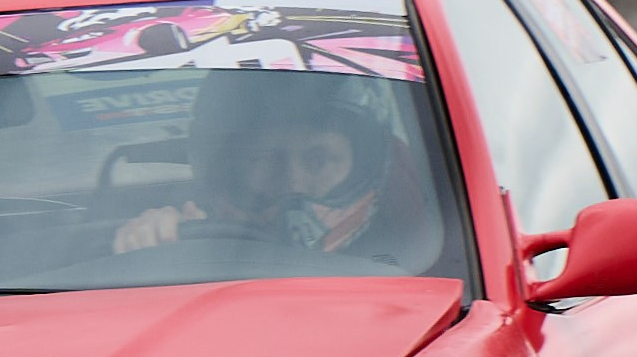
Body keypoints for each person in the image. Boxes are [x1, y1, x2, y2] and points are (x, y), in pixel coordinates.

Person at [112, 69, 432, 265]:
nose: (293, 185)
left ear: (363, 169)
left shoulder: (438, 248)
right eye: (265, 160)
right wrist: (152, 248)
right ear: (229, 172)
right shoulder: (193, 241)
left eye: (317, 160)